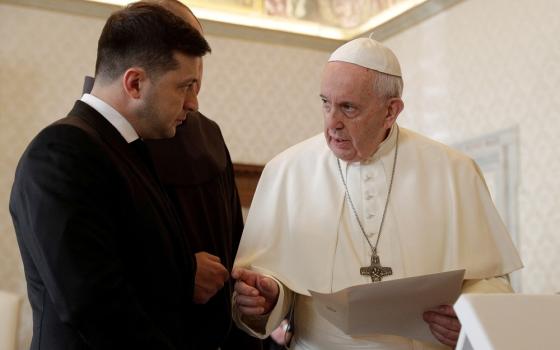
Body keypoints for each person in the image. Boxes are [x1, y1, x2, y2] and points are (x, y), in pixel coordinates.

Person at [231, 36, 523, 349]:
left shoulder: (454, 171)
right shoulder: (286, 171)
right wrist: (268, 297)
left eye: (348, 108)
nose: (332, 123)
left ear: (390, 111)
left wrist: (468, 315)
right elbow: (270, 282)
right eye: (325, 103)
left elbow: (489, 279)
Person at [9, 2, 213, 349]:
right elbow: (93, 304)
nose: (193, 103)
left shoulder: (128, 149)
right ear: (134, 83)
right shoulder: (60, 151)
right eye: (185, 86)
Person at [82, 1, 263, 348]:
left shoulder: (207, 134)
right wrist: (183, 276)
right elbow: (94, 285)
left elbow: (238, 242)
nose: (192, 102)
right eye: (185, 85)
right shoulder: (90, 147)